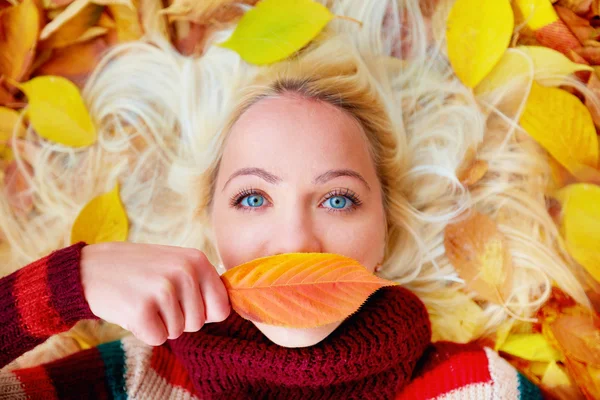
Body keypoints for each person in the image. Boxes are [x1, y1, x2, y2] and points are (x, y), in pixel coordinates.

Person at [0, 0, 586, 398]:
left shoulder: (475, 387)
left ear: (385, 233)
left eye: (337, 200)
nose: (295, 242)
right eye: (253, 198)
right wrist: (67, 282)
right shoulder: (137, 377)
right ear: (211, 228)